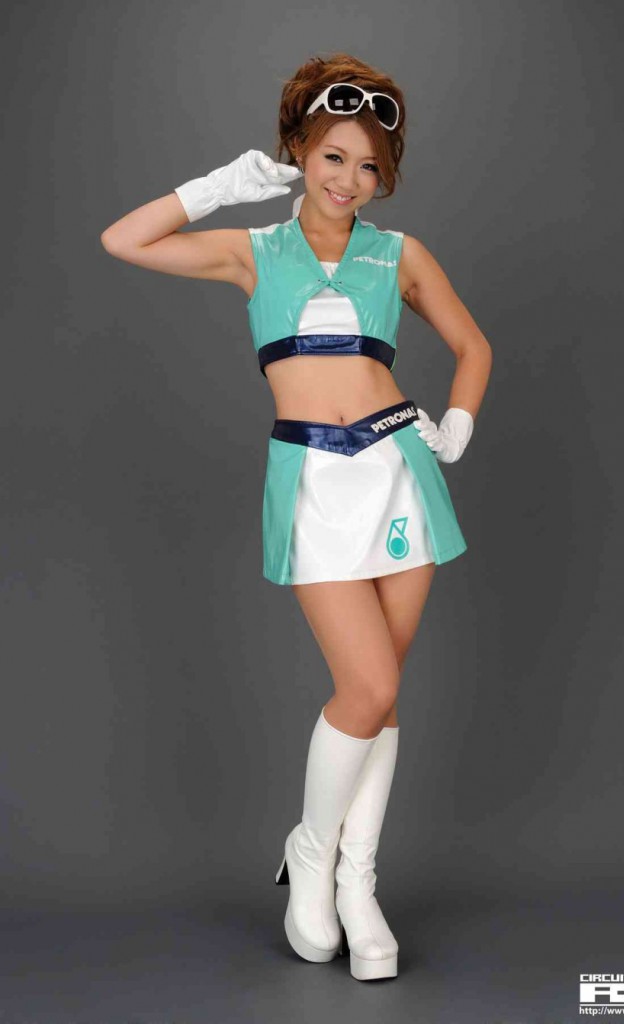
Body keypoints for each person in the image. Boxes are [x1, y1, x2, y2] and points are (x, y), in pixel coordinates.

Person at [100, 52, 492, 982]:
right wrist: (216, 189)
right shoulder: (253, 251)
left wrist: (458, 425)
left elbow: (472, 345)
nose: (348, 180)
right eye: (332, 157)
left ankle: (358, 882)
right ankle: (312, 853)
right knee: (364, 684)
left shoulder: (399, 255)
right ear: (297, 151)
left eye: (368, 167)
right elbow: (124, 240)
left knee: (382, 693)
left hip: (400, 471)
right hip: (313, 480)